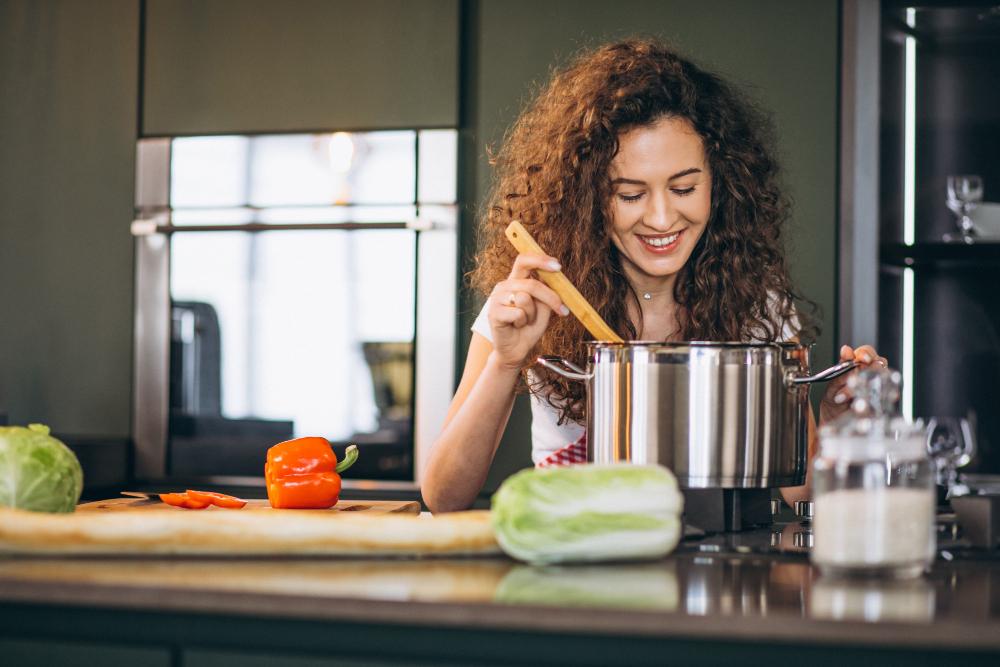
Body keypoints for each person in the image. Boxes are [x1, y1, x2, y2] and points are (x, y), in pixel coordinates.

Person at [422, 39, 886, 513]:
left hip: (716, 579)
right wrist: (505, 361)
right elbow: (443, 497)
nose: (662, 219)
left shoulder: (757, 305)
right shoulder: (532, 302)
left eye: (684, 187)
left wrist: (838, 427)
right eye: (630, 194)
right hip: (575, 577)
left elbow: (803, 497)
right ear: (589, 198)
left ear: (719, 183)